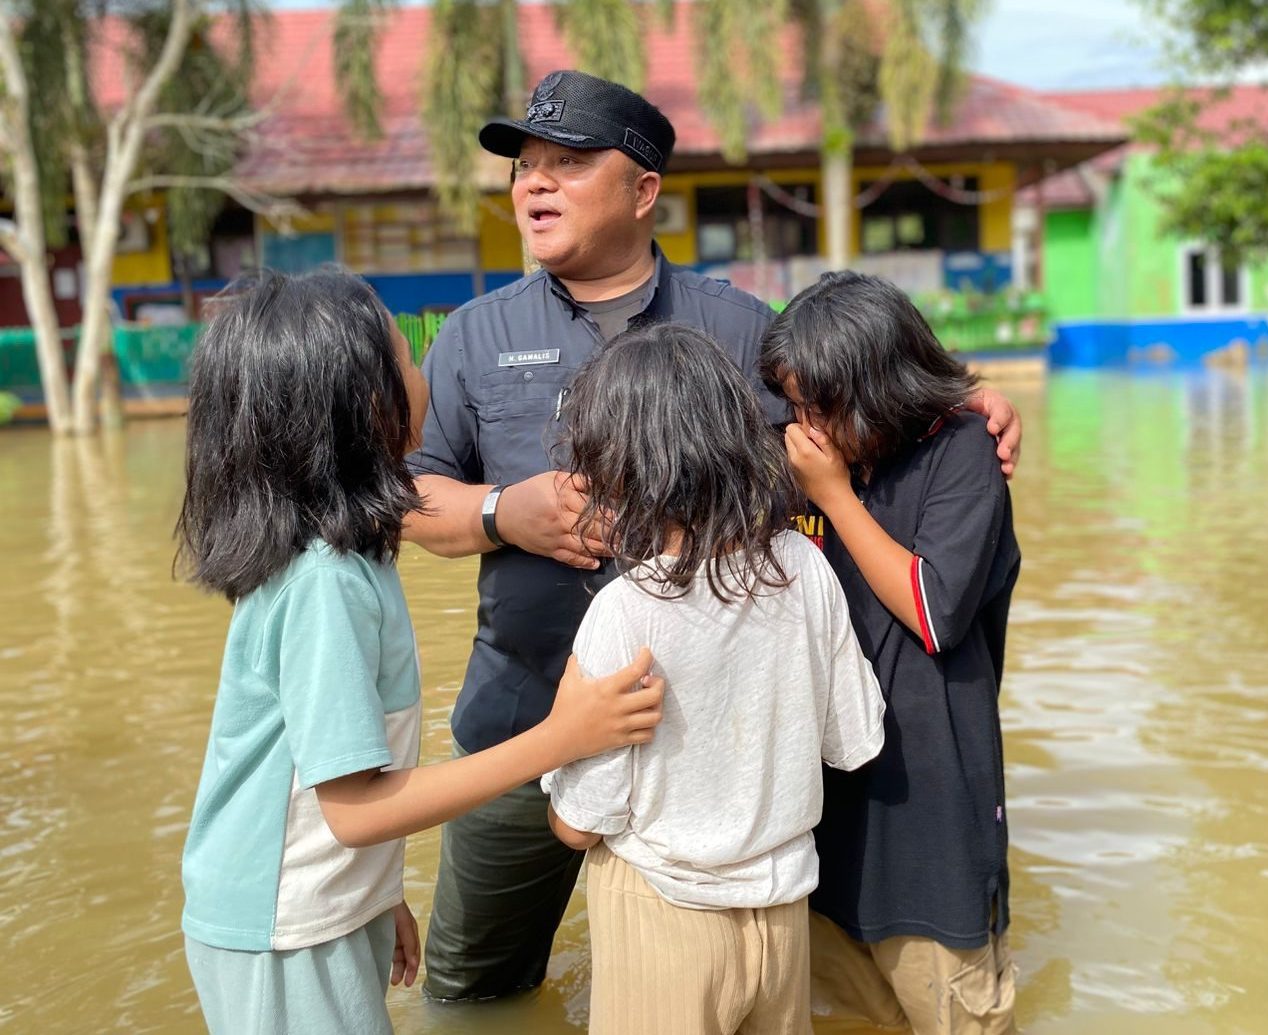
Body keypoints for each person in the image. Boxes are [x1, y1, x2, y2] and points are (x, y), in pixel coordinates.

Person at [404, 68, 1025, 1003]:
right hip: (523, 724)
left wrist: (963, 402)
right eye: (525, 166)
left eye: (567, 164)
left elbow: (858, 406)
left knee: (724, 985)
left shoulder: (740, 331)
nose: (533, 185)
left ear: (644, 190)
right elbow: (408, 501)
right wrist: (502, 512)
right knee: (470, 992)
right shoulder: (471, 336)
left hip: (719, 752)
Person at [174, 269, 664, 1035]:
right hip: (283, 923)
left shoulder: (345, 550)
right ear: (363, 405)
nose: (424, 371)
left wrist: (376, 894)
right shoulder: (326, 584)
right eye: (408, 358)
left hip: (313, 901)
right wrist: (562, 738)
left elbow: (331, 775)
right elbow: (355, 809)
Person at [540, 323, 886, 1034]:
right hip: (783, 915)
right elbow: (854, 739)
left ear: (623, 468)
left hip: (663, 914)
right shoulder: (803, 565)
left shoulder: (624, 610)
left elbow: (578, 824)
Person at [760, 271, 1022, 1034]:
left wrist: (834, 495)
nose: (804, 424)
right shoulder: (806, 452)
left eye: (822, 405)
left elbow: (935, 612)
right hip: (824, 807)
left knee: (953, 1007)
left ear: (883, 389)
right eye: (794, 403)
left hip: (930, 809)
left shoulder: (962, 452)